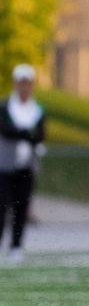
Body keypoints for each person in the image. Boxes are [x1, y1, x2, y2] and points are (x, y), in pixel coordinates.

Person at [0, 64, 46, 263]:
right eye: (21, 82)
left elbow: (41, 135)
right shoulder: (5, 107)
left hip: (27, 166)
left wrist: (24, 134)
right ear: (15, 83)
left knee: (22, 207)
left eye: (27, 83)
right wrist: (27, 134)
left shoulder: (37, 110)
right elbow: (6, 131)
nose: (24, 86)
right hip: (5, 165)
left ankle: (16, 247)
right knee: (2, 207)